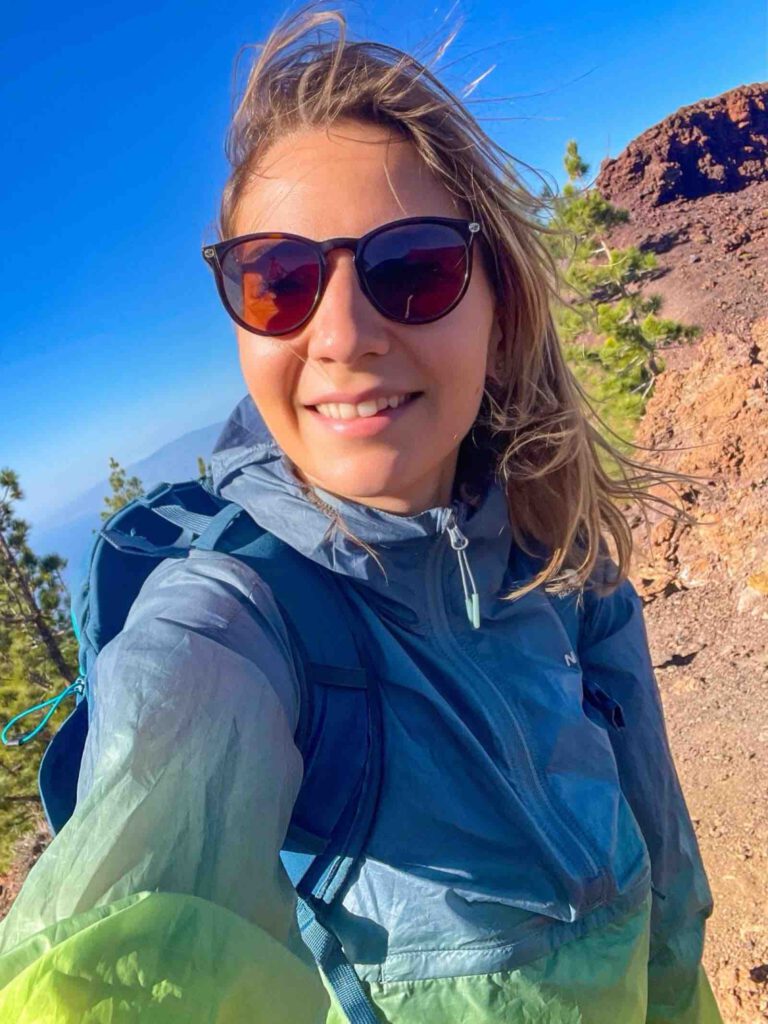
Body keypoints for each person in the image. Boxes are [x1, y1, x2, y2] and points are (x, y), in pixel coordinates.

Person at [0, 4, 723, 1022]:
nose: (340, 333)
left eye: (414, 268)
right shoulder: (231, 618)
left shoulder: (560, 560)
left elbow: (672, 904)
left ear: (499, 303)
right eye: (280, 280)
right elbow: (113, 947)